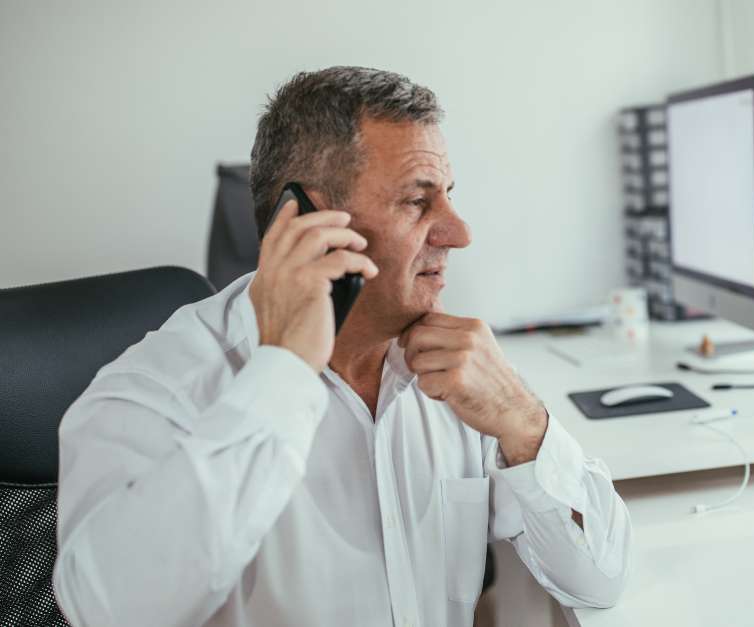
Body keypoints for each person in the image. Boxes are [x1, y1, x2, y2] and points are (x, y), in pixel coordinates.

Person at [53, 66, 632, 627]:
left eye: (448, 195)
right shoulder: (155, 392)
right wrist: (282, 371)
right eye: (417, 201)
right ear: (303, 220)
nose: (460, 232)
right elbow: (109, 611)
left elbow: (598, 578)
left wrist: (525, 425)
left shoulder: (456, 377)